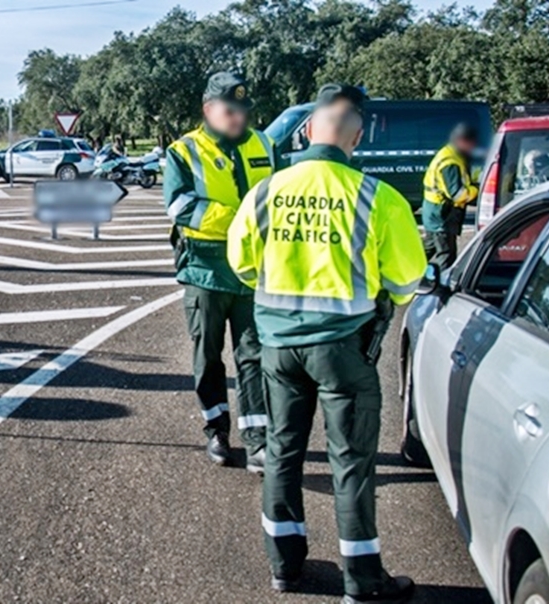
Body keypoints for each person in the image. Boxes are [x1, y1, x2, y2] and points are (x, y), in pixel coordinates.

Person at [227, 84, 427, 603]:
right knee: (351, 462)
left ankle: (285, 567)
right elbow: (407, 279)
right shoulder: (376, 197)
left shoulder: (266, 192)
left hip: (278, 348)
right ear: (355, 139)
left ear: (309, 130)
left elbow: (243, 264)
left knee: (283, 452)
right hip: (344, 350)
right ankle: (362, 580)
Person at [163, 72, 275, 471]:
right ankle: (216, 430)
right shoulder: (183, 151)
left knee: (255, 357)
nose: (239, 118)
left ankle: (258, 440)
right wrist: (243, 219)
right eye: (231, 111)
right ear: (209, 110)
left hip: (252, 274)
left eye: (244, 110)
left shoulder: (265, 143)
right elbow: (180, 206)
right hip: (205, 271)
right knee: (208, 357)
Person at [422, 123, 480, 270]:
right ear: (462, 141)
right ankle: (442, 285)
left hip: (434, 211)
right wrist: (477, 191)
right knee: (447, 254)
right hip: (441, 214)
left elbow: (469, 175)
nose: (474, 147)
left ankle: (405, 272)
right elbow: (457, 194)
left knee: (428, 249)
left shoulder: (453, 154)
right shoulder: (450, 162)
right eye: (472, 143)